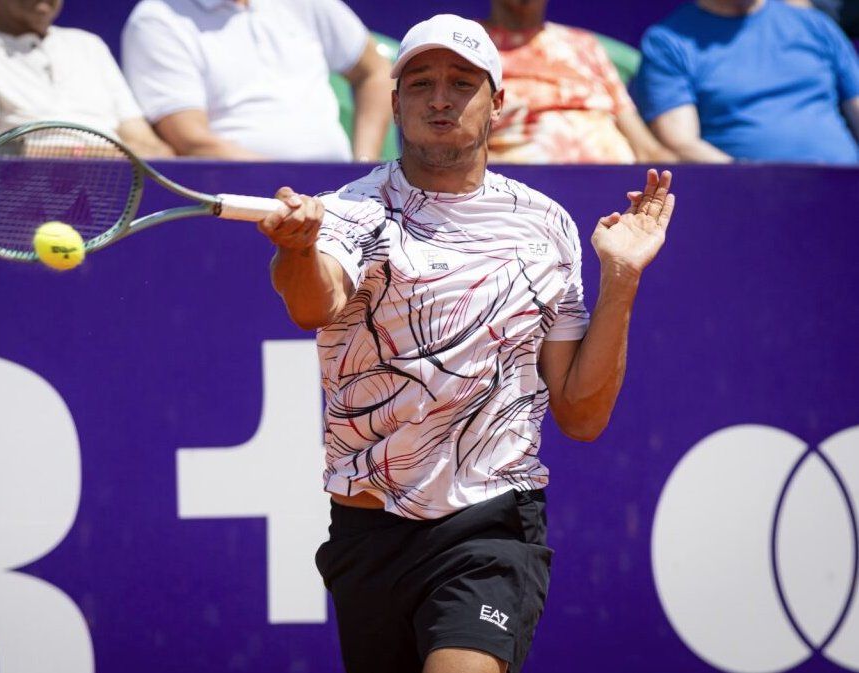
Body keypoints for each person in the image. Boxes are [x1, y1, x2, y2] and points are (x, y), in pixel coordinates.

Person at [256, 13, 676, 673]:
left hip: (493, 524)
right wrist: (299, 249)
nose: (440, 98)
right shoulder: (349, 212)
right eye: (421, 83)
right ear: (395, 102)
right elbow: (315, 304)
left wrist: (621, 279)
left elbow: (581, 415)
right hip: (367, 530)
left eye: (461, 82)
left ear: (497, 102)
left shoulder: (546, 226)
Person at [120, 0, 391, 161]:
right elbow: (192, 141)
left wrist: (363, 165)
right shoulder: (155, 20)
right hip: (243, 202)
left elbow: (376, 71)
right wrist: (292, 188)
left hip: (331, 197)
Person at [0, 0, 170, 158]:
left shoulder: (90, 45)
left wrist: (101, 156)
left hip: (117, 188)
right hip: (20, 195)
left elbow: (153, 149)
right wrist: (93, 155)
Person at [632, 0, 859, 163]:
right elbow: (680, 142)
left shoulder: (815, 24)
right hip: (750, 198)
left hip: (845, 185)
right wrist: (752, 178)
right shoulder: (667, 42)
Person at [482, 0, 675, 164]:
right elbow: (466, 148)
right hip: (525, 186)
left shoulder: (585, 44)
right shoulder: (475, 48)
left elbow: (645, 147)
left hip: (619, 185)